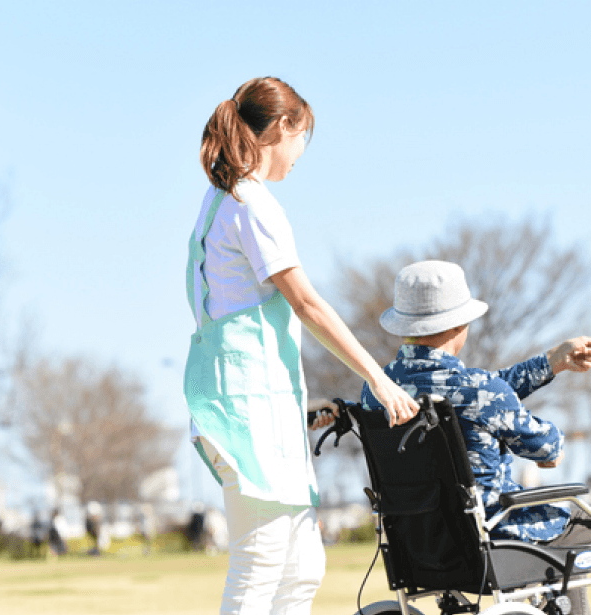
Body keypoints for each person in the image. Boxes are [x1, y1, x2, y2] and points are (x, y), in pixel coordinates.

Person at [184, 76, 419, 615]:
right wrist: (379, 381)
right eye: (302, 138)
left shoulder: (219, 200)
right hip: (247, 409)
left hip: (249, 402)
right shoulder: (251, 201)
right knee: (262, 561)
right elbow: (307, 305)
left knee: (303, 566)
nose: (300, 156)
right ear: (284, 127)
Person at [362, 260, 591, 615]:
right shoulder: (480, 390)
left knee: (568, 536)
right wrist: (550, 445)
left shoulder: (376, 391)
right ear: (459, 324)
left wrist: (551, 362)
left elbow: (483, 393)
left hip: (421, 549)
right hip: (499, 539)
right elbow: (549, 447)